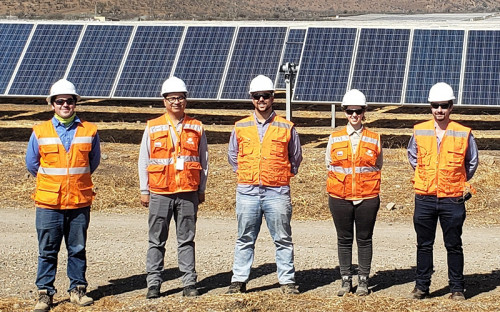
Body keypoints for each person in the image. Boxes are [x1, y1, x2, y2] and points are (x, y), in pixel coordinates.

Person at [26, 79, 101, 312]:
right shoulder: (40, 132)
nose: (65, 105)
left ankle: (78, 290)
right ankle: (44, 293)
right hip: (49, 202)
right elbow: (32, 164)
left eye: (69, 101)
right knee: (47, 249)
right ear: (52, 105)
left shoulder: (89, 130)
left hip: (79, 200)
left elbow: (93, 162)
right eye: (60, 101)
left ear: (75, 103)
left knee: (77, 248)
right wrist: (54, 181)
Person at [226, 75, 303, 295]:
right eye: (257, 96)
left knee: (283, 238)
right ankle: (238, 280)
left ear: (272, 98)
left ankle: (287, 281)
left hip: (277, 192)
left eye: (266, 96)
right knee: (244, 238)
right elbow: (233, 156)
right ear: (251, 98)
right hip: (247, 192)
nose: (261, 99)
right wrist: (245, 173)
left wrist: (280, 176)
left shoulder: (286, 127)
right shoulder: (240, 127)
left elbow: (295, 157)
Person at [407, 82, 479, 301]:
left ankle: (457, 288)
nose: (439, 110)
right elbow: (413, 157)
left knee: (454, 244)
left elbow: (472, 162)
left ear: (451, 107)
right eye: (435, 105)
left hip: (453, 198)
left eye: (444, 106)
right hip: (425, 196)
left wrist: (455, 180)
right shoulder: (419, 130)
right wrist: (429, 176)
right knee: (424, 245)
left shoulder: (463, 133)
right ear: (430, 106)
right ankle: (422, 287)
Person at [138, 76, 208, 299]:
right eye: (172, 98)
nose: (176, 102)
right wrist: (144, 189)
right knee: (156, 240)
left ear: (186, 100)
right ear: (164, 101)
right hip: (160, 192)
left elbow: (204, 160)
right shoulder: (152, 126)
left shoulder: (197, 126)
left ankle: (189, 282)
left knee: (186, 238)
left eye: (180, 98)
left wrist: (201, 189)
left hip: (188, 191)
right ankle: (154, 283)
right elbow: (144, 159)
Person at [325, 89, 382, 296]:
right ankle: (346, 280)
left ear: (364, 111)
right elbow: (329, 165)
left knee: (365, 239)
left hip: (367, 197)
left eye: (358, 111)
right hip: (340, 197)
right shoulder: (334, 138)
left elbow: (378, 164)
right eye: (350, 111)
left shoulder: (375, 138)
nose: (354, 115)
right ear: (345, 112)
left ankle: (364, 280)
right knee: (344, 238)